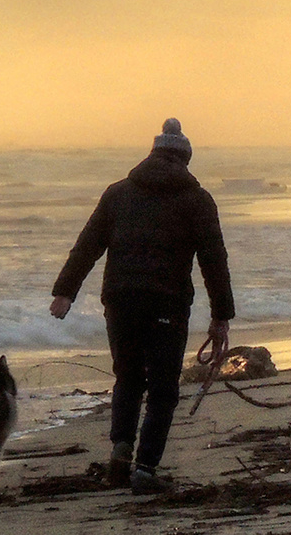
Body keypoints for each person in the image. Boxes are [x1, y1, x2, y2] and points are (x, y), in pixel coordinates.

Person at [50, 118, 235, 492]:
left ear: (152, 153)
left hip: (120, 300)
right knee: (164, 389)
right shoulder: (197, 200)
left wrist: (64, 292)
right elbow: (214, 261)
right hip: (166, 303)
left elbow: (87, 245)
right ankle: (145, 469)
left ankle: (120, 454)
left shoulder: (117, 194)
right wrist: (221, 317)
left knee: (129, 378)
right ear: (185, 159)